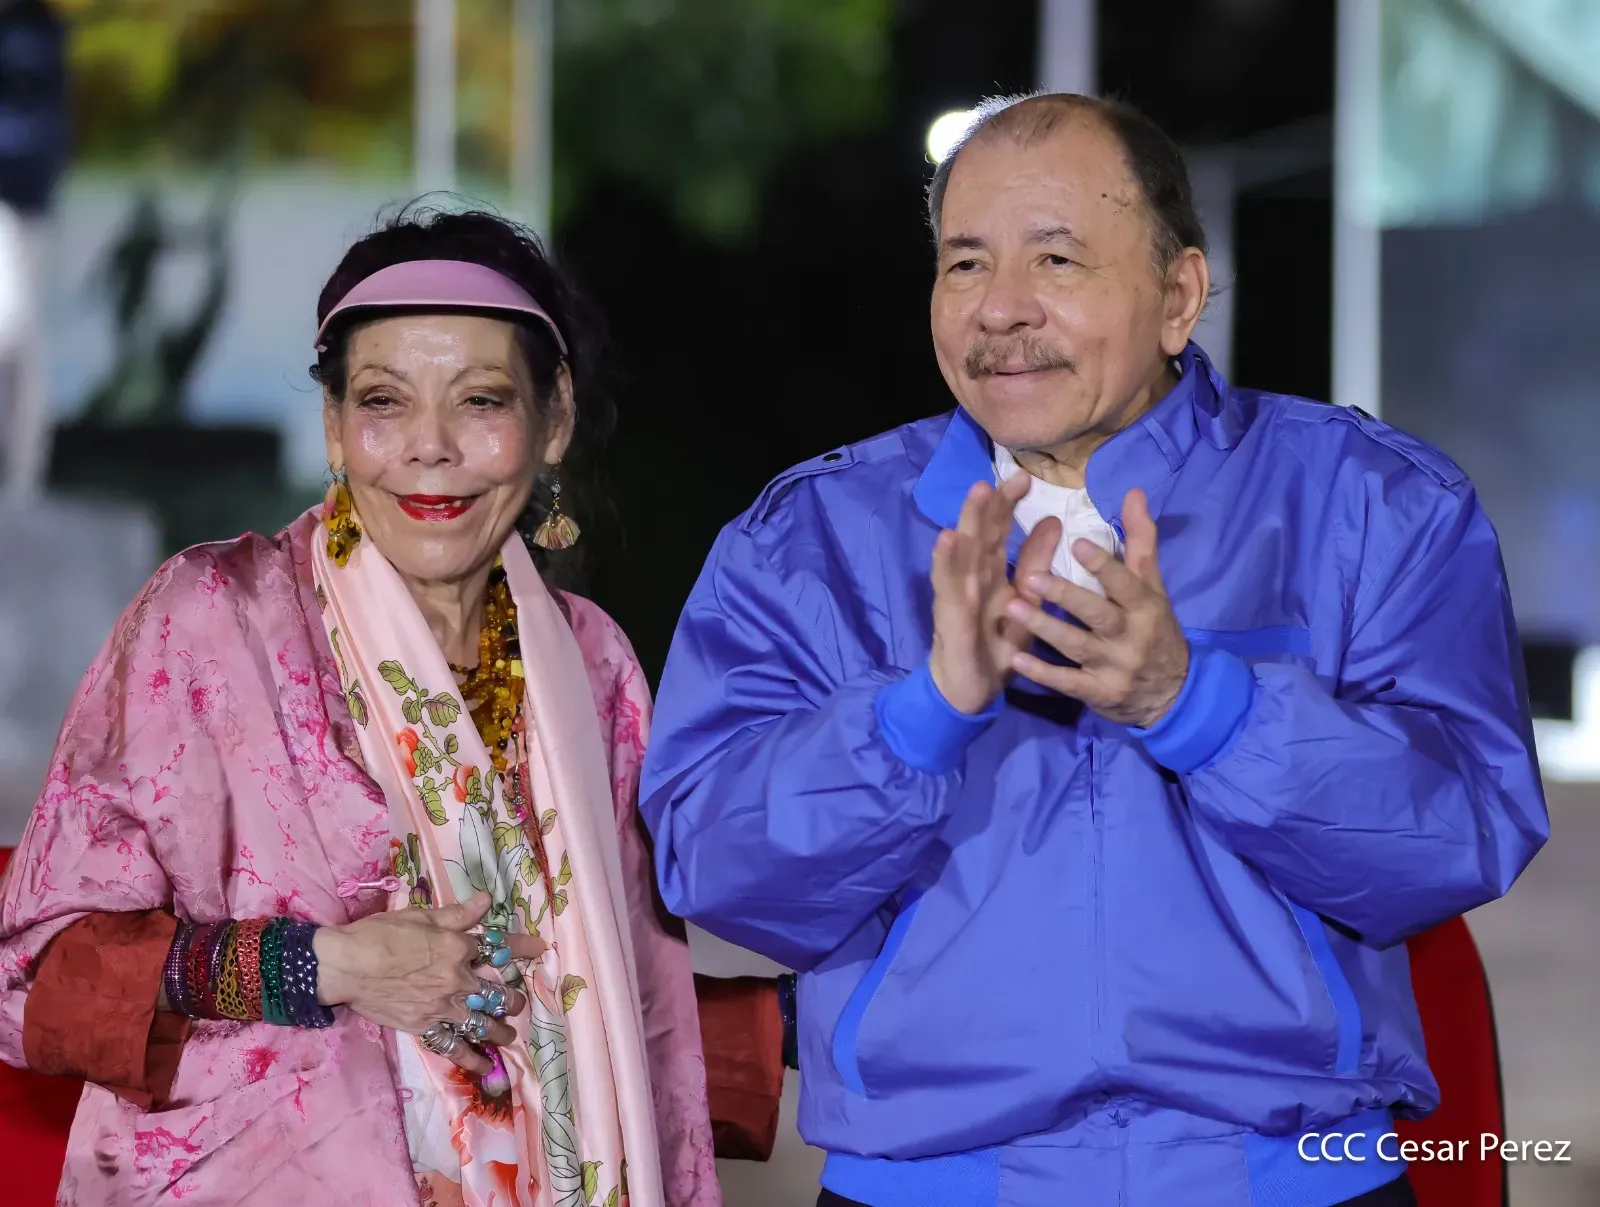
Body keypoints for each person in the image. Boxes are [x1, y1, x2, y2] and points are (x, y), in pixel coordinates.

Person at [638, 93, 1550, 1207]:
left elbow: (1459, 839)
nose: (1000, 309)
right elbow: (714, 871)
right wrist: (920, 715)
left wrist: (1199, 706)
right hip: (930, 1183)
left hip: (1288, 1176)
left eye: (1057, 259)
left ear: (1179, 296)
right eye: (965, 263)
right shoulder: (809, 541)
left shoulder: (1371, 506)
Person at [0, 207, 724, 1206]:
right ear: (334, 426)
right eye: (384, 401)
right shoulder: (215, 622)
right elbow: (34, 972)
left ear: (553, 418)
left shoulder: (592, 662)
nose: (430, 448)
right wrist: (319, 965)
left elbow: (645, 1009)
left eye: (480, 400)